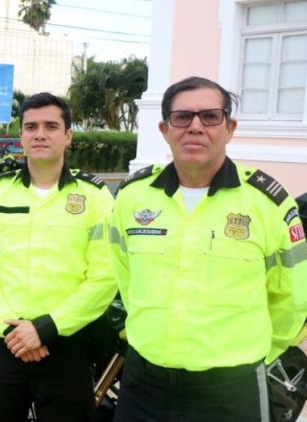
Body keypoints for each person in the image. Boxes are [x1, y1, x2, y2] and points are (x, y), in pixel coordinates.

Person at [110, 76, 307, 421]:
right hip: (144, 383)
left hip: (230, 391)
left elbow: (291, 298)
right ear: (164, 129)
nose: (195, 127)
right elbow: (125, 275)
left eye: (210, 117)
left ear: (229, 128)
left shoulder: (267, 204)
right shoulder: (132, 197)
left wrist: (252, 351)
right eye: (182, 117)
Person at [0, 92, 116, 421]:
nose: (40, 134)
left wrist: (46, 328)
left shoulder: (95, 197)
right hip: (6, 339)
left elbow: (105, 276)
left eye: (51, 126)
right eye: (31, 126)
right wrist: (12, 331)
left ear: (68, 135)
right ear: (21, 136)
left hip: (66, 343)